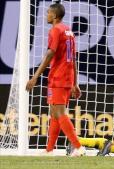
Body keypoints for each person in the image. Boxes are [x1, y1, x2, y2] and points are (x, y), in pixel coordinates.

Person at [25, 3, 85, 156]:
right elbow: (73, 58)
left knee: (59, 113)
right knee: (54, 114)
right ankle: (49, 150)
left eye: (48, 13)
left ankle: (78, 147)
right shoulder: (68, 31)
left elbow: (50, 54)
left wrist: (35, 76)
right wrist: (75, 82)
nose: (46, 15)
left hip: (58, 77)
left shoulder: (55, 30)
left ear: (55, 16)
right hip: (67, 76)